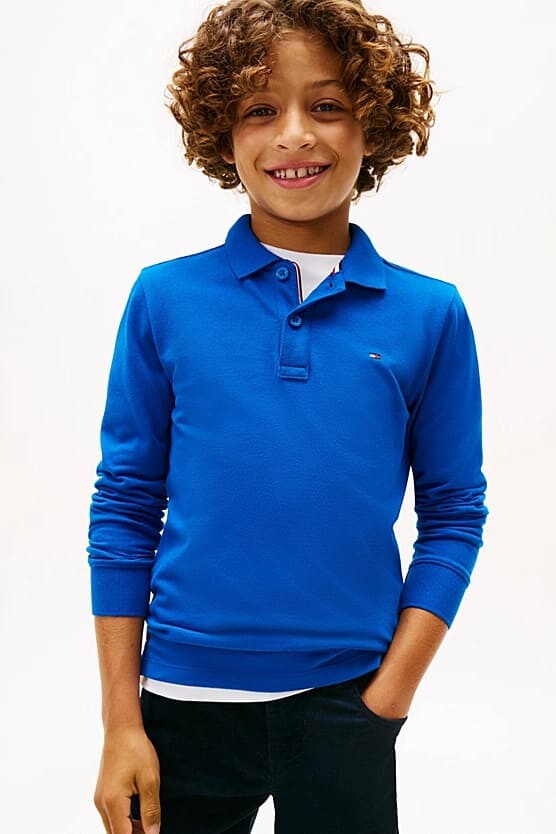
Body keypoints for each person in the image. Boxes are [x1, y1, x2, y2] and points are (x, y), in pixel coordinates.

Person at [87, 1, 489, 832]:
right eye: (261, 109)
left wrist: (389, 696)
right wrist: (121, 722)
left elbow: (455, 512)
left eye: (328, 105)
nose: (295, 134)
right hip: (182, 704)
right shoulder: (165, 298)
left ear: (374, 124)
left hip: (348, 702)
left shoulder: (430, 314)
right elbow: (124, 505)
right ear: (222, 132)